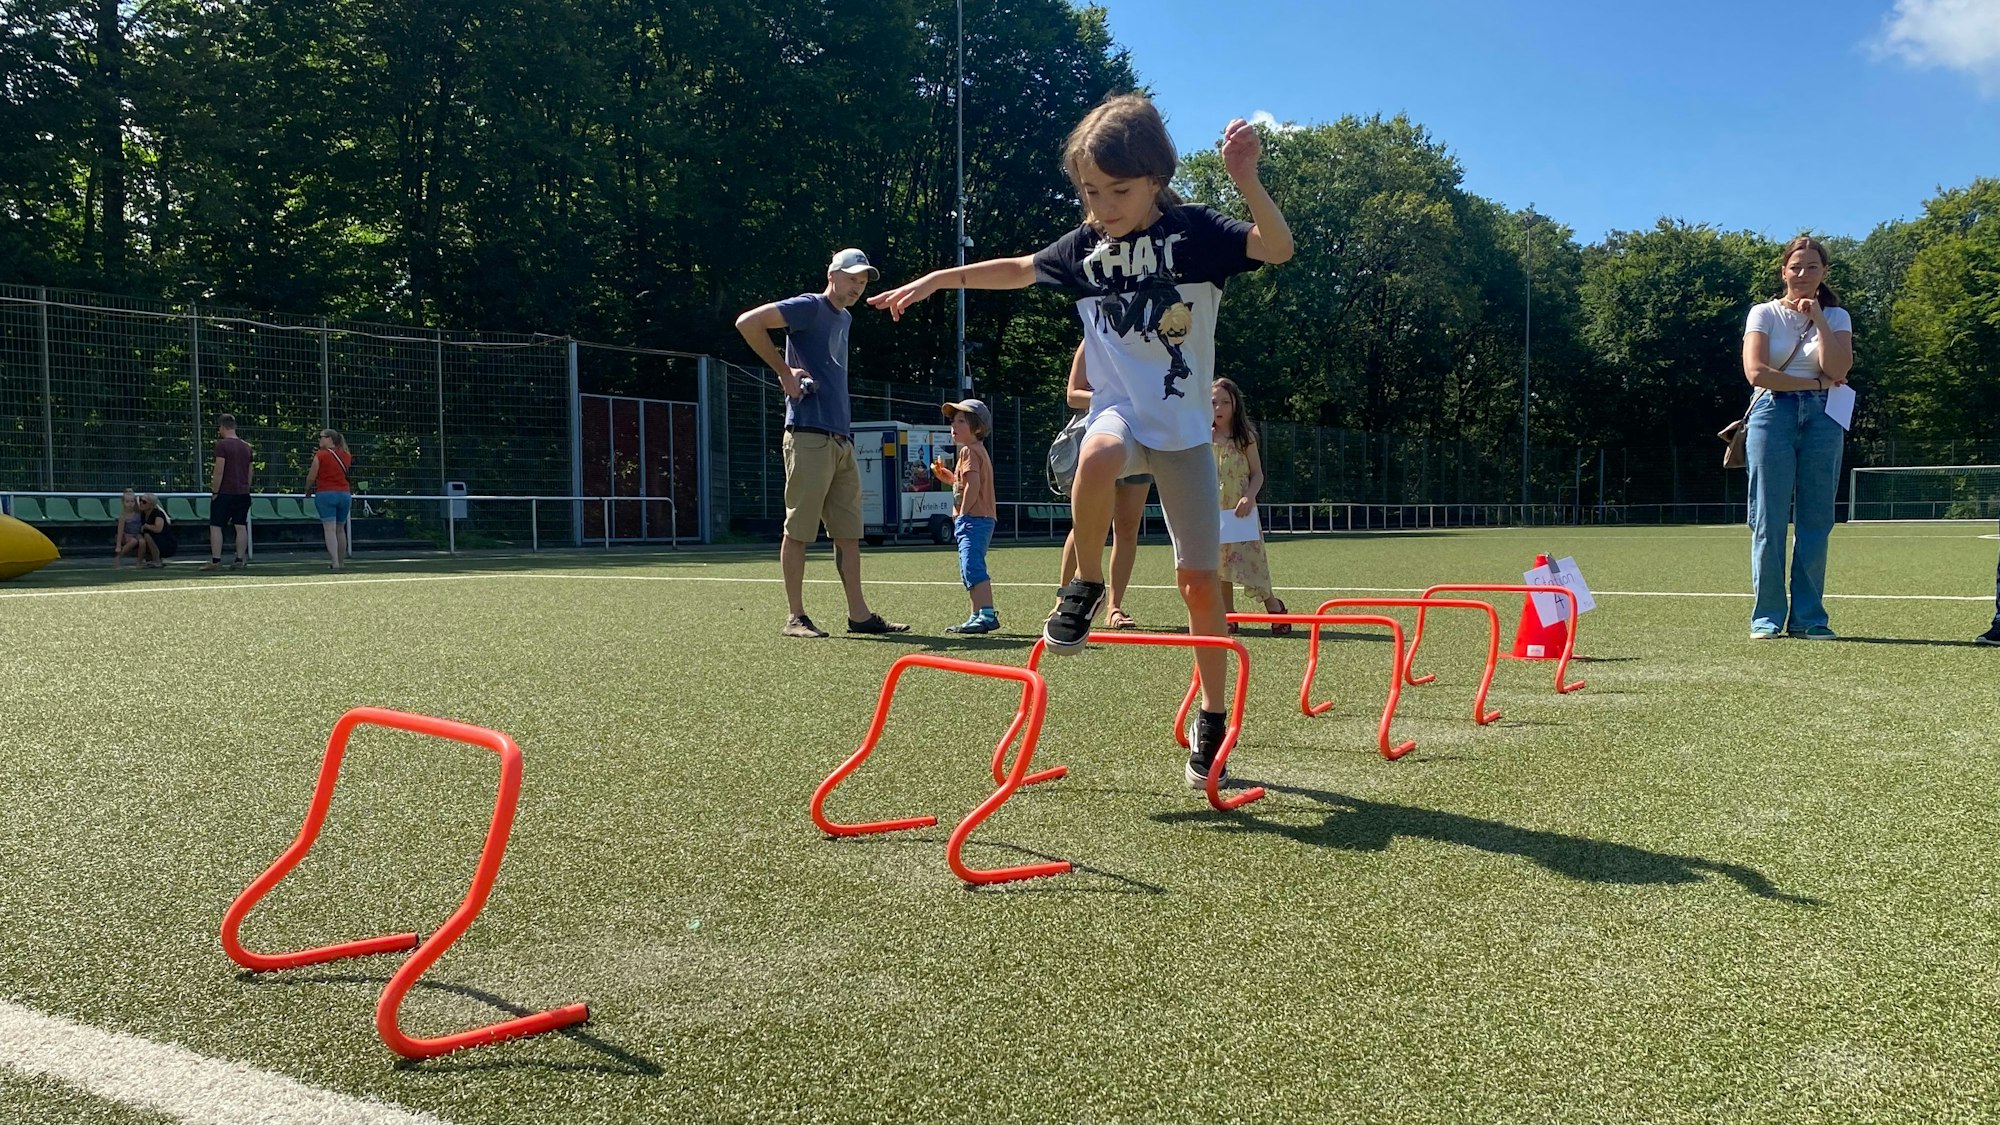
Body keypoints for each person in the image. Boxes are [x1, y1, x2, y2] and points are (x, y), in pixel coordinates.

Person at [871, 94, 1293, 788]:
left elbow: (1276, 247)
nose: (1102, 206)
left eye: (1118, 191)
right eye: (1090, 192)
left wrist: (1246, 179)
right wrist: (937, 280)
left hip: (1183, 434)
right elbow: (1014, 268)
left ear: (1156, 177)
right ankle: (1087, 583)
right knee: (1095, 453)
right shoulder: (1084, 248)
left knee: (1196, 582)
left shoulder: (1196, 234)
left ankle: (1211, 714)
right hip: (1122, 416)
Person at [735, 248, 910, 638]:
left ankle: (859, 616)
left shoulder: (845, 317)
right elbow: (748, 322)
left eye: (863, 282)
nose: (857, 287)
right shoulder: (810, 306)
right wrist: (783, 371)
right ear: (832, 273)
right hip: (808, 434)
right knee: (798, 529)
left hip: (841, 438)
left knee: (849, 534)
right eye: (852, 278)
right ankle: (795, 617)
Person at [1740, 235, 1853, 640]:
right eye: (1796, 267)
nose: (1803, 274)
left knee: (1816, 520)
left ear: (1824, 273)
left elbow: (1838, 367)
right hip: (1773, 414)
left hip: (1825, 418)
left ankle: (1809, 619)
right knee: (1768, 518)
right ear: (1783, 271)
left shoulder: (1838, 317)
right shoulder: (1764, 313)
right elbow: (1756, 374)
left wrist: (1819, 319)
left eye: (1812, 267)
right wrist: (1816, 383)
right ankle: (1766, 617)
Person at [1055, 342, 1152, 629]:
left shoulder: (1144, 339)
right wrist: (1116, 400)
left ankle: (1114, 607)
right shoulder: (1092, 338)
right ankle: (1065, 600)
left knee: (1126, 528)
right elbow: (1073, 395)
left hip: (1141, 440)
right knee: (1085, 524)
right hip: (1101, 440)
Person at [1211, 377, 1291, 635]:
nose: (1219, 408)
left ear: (1235, 404)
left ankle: (1275, 608)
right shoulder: (1203, 436)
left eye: (1225, 402)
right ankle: (1229, 615)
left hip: (1241, 511)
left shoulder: (1245, 437)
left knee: (1253, 562)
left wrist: (1250, 496)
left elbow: (1258, 474)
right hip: (1214, 512)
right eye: (1213, 402)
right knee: (1220, 564)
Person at [930, 398, 1000, 634]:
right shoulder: (971, 452)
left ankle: (987, 615)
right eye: (953, 420)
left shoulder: (969, 451)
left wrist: (963, 514)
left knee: (972, 566)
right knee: (969, 566)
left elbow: (973, 486)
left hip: (974, 519)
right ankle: (976, 614)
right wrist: (949, 477)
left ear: (977, 428)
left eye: (961, 420)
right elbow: (965, 483)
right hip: (978, 518)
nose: (954, 425)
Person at [205, 413, 254, 572]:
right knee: (240, 525)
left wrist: (215, 491)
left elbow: (219, 469)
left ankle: (216, 560)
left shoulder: (222, 445)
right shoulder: (247, 446)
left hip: (225, 492)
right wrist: (246, 487)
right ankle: (240, 559)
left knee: (216, 525)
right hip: (243, 492)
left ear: (223, 427)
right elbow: (250, 471)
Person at [303, 428, 354, 571]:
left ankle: (335, 562)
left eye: (321, 437)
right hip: (344, 494)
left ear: (329, 439)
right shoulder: (346, 455)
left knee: (329, 530)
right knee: (340, 529)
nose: (319, 440)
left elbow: (312, 476)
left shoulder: (320, 455)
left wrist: (307, 489)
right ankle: (342, 561)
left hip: (326, 494)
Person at [135, 494, 176, 568]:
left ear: (151, 504)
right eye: (140, 500)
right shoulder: (143, 514)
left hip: (166, 543)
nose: (141, 503)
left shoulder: (158, 514)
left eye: (144, 502)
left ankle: (157, 560)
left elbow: (158, 529)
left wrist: (146, 526)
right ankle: (149, 560)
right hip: (155, 540)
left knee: (147, 535)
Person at [112, 489, 143, 567]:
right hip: (127, 535)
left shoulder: (138, 513)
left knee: (142, 542)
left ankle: (139, 561)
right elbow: (120, 531)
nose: (130, 504)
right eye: (127, 502)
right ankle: (118, 557)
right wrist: (118, 546)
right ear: (123, 503)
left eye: (132, 501)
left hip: (137, 534)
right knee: (133, 541)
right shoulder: (123, 516)